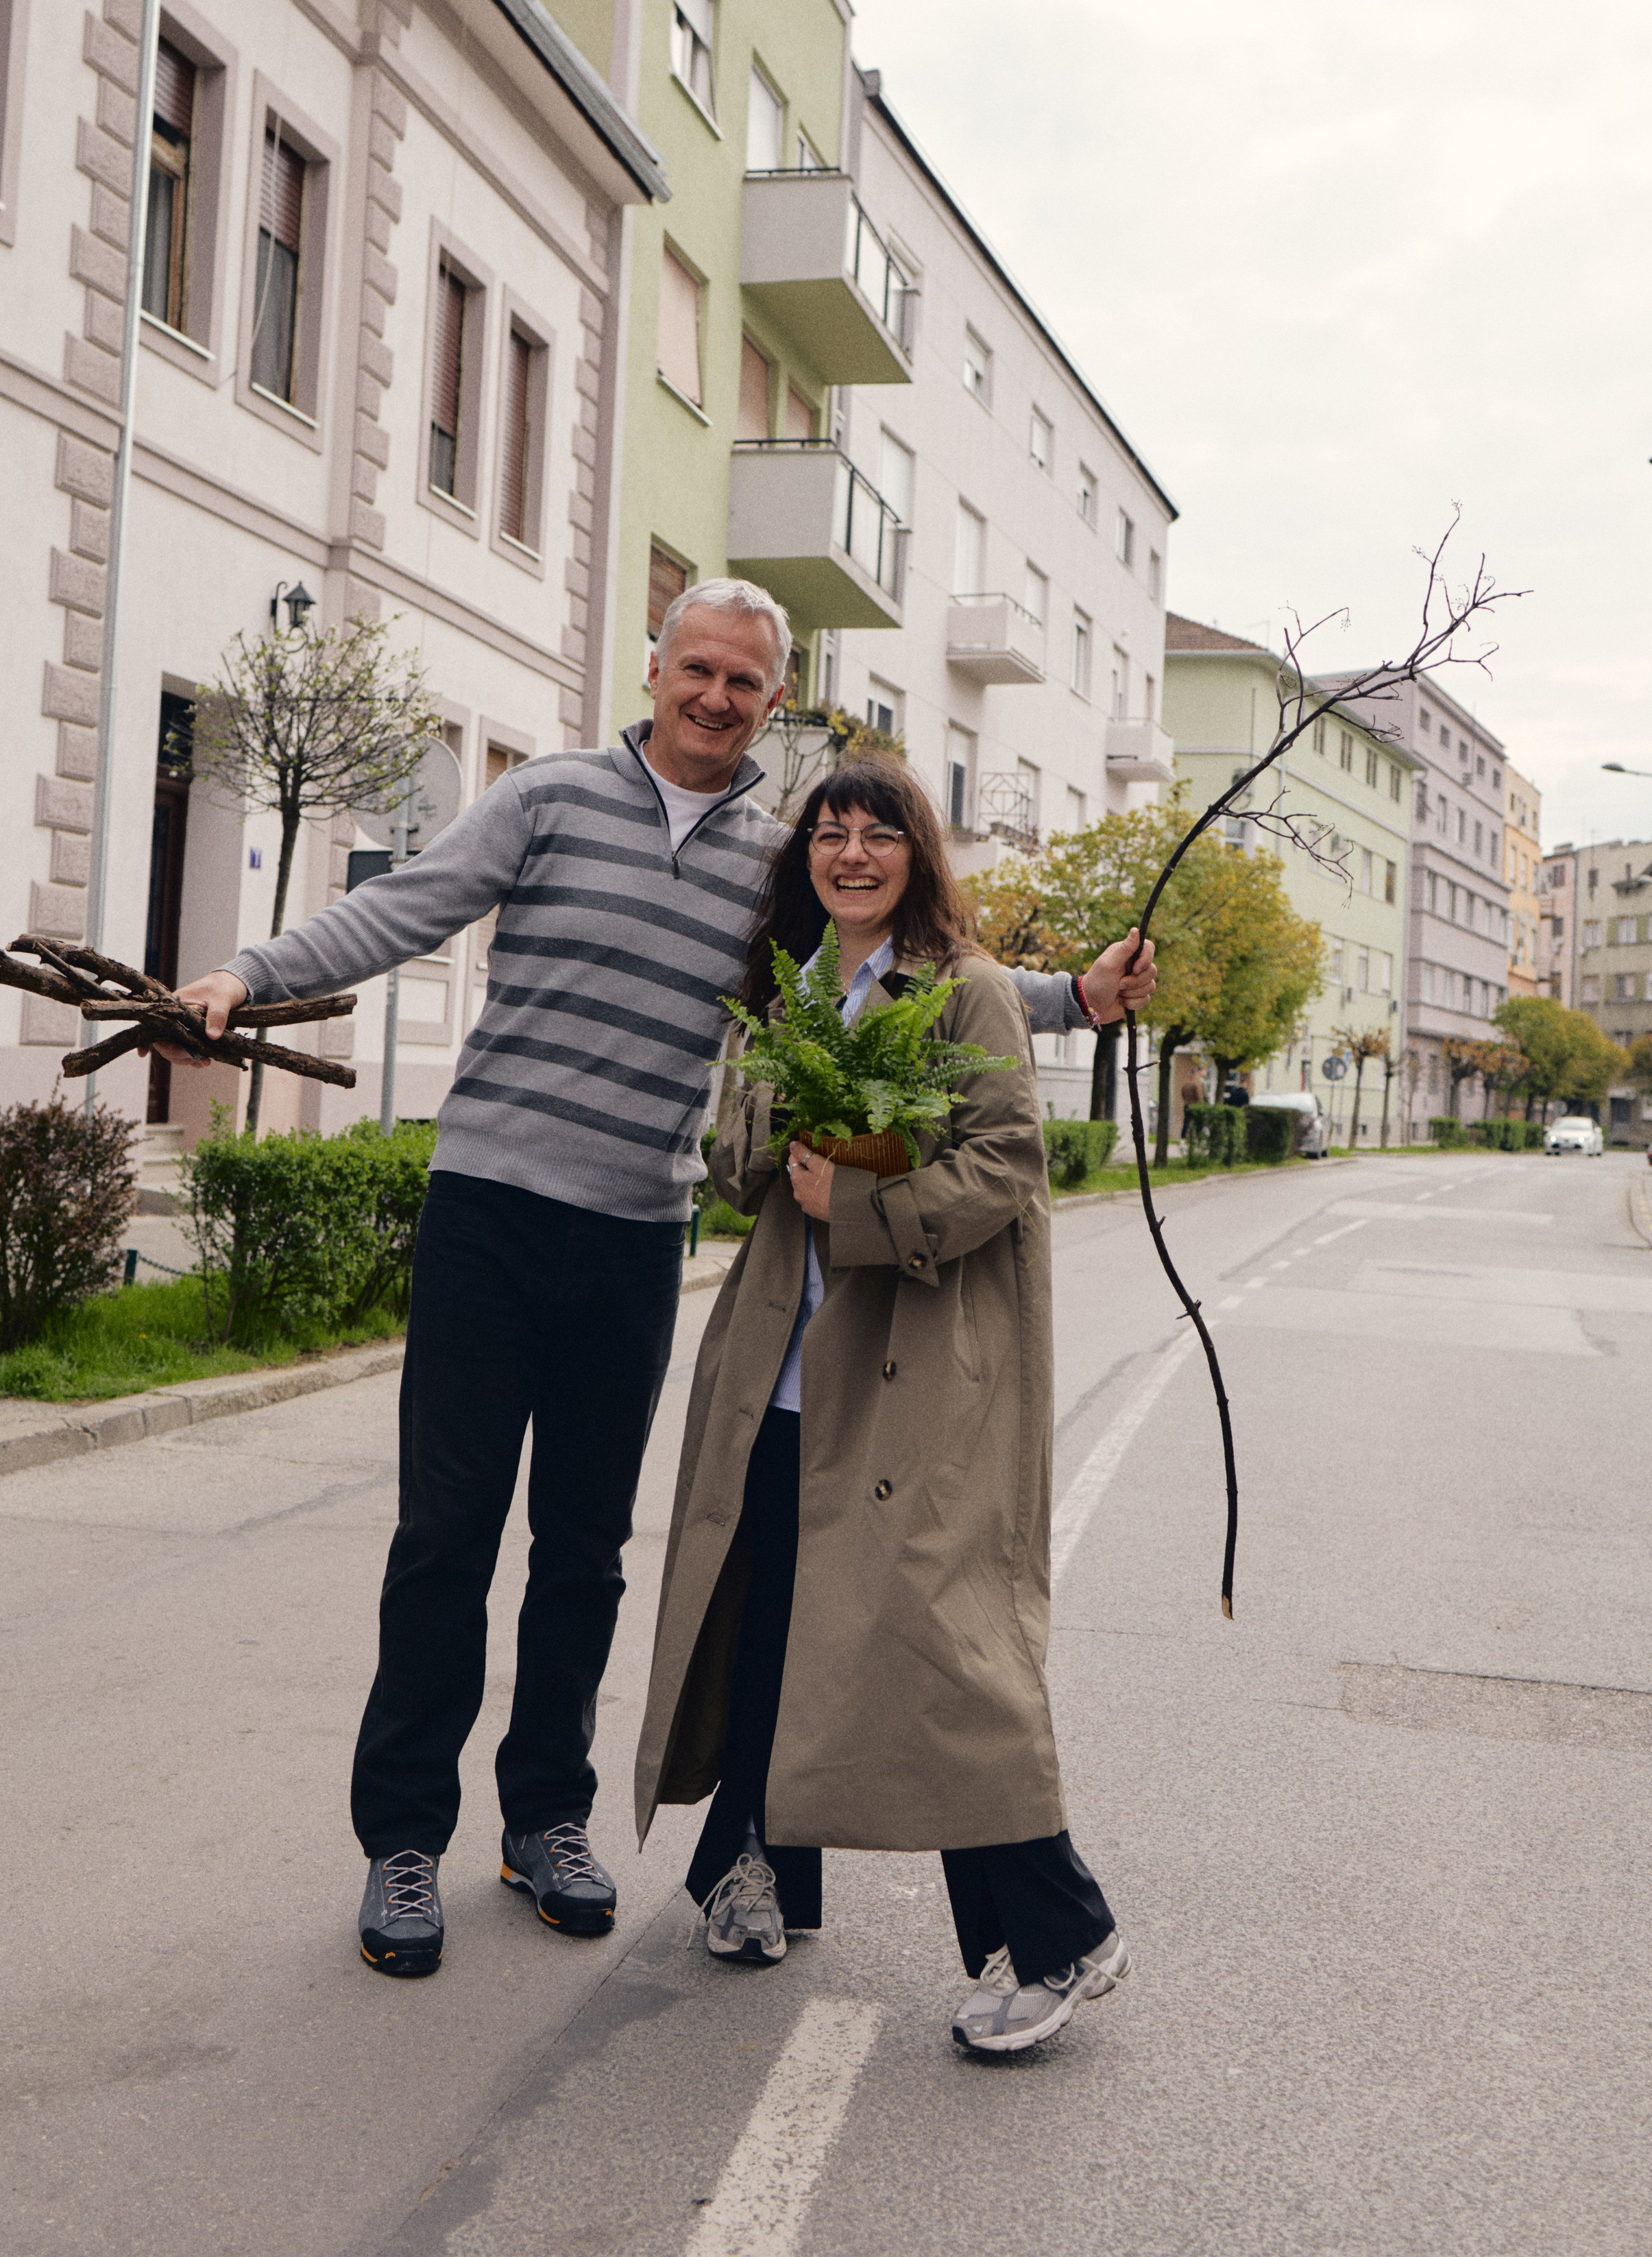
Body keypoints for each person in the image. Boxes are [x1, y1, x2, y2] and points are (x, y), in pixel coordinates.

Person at [160, 578, 1152, 1981]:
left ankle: (544, 1820)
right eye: (696, 669)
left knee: (584, 1550)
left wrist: (1076, 1000)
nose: (714, 697)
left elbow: (909, 969)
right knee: (444, 1539)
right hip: (488, 1216)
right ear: (656, 664)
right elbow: (409, 908)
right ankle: (401, 1839)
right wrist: (241, 978)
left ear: (772, 693)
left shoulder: (778, 857)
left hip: (632, 1241)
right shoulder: (551, 798)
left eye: (744, 682)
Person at [635, 753, 1156, 2055]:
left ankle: (1060, 1935)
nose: (851, 852)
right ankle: (754, 1866)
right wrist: (768, 1139)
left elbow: (1006, 1170)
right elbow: (737, 1165)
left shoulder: (967, 992)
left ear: (919, 857)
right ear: (803, 854)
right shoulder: (791, 989)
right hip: (783, 1367)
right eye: (830, 831)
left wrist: (854, 1198)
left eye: (879, 834)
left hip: (919, 1375)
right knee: (764, 1615)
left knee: (940, 1654)